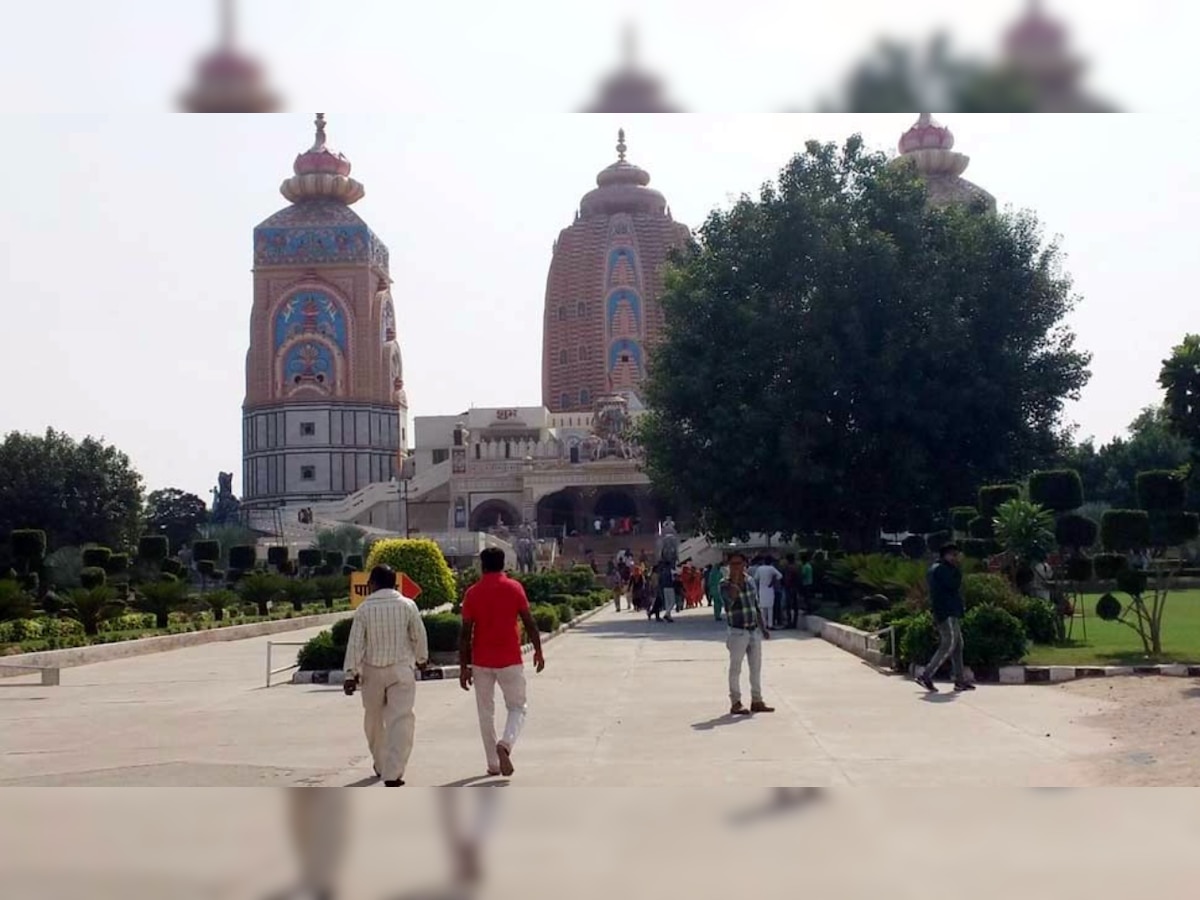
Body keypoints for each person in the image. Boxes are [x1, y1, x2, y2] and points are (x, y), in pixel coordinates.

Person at [459, 548, 545, 777]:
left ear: (482, 566)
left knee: (485, 713)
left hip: (481, 660)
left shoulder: (472, 593)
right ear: (503, 564)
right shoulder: (514, 588)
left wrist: (463, 667)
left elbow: (465, 633)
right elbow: (529, 621)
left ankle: (493, 764)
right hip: (509, 658)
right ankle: (505, 743)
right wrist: (538, 650)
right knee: (517, 707)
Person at [342, 564, 429, 786]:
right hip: (401, 670)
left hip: (372, 671)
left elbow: (355, 643)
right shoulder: (408, 605)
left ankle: (381, 764)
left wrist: (350, 674)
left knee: (373, 719)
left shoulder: (364, 609)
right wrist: (422, 660)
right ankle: (393, 772)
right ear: (395, 584)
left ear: (372, 584)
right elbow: (419, 634)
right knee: (401, 720)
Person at [720, 550, 775, 716]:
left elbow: (755, 606)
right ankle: (736, 702)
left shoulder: (751, 581)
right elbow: (730, 601)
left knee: (756, 668)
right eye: (732, 564)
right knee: (735, 668)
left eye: (739, 563)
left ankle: (757, 700)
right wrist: (735, 580)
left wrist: (763, 627)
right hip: (737, 631)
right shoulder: (724, 583)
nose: (736, 567)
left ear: (745, 564)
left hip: (753, 630)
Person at [915, 543, 974, 694]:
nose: (956, 558)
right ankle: (926, 675)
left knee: (958, 645)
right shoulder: (941, 570)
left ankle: (959, 680)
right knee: (948, 643)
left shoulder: (941, 568)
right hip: (945, 611)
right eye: (953, 555)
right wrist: (958, 571)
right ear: (945, 555)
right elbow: (953, 585)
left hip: (951, 610)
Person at [754, 555, 782, 630]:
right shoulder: (772, 568)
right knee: (770, 609)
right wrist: (773, 581)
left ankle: (764, 625)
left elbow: (756, 578)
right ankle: (770, 625)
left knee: (763, 609)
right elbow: (780, 576)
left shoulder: (759, 568)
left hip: (762, 590)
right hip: (770, 589)